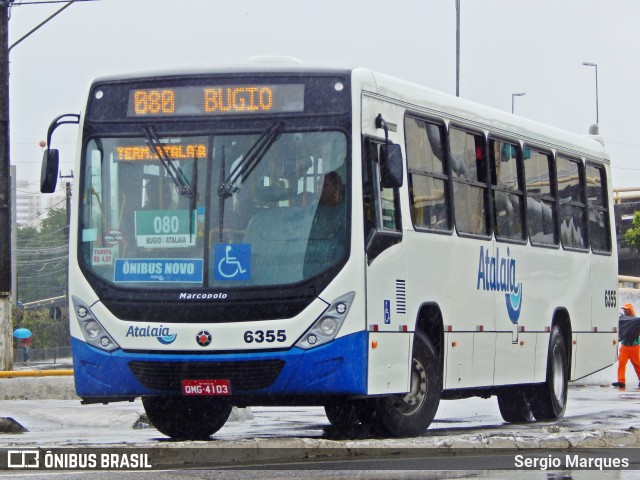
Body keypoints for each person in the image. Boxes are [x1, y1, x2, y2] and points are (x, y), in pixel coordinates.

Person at [613, 303, 640, 388]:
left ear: (630, 310)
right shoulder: (622, 320)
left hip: (634, 346)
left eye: (626, 309)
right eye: (624, 309)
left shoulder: (636, 320)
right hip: (624, 345)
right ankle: (621, 381)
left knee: (637, 364)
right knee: (621, 363)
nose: (624, 310)